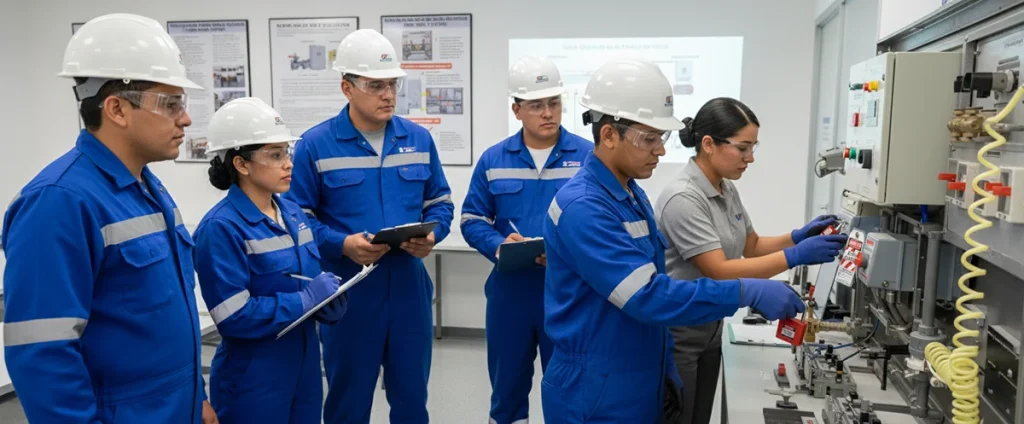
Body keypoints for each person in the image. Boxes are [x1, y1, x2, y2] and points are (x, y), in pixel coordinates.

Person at [541, 59, 807, 423]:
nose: (661, 150)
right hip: (596, 388)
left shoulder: (630, 195)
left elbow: (655, 280)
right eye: (649, 139)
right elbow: (646, 295)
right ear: (608, 136)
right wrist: (746, 291)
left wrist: (665, 362)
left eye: (661, 138)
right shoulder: (584, 207)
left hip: (635, 372)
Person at [1, 13, 217, 423]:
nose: (185, 119)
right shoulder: (58, 202)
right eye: (171, 104)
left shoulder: (147, 188)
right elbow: (43, 353)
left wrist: (196, 398)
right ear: (117, 108)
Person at [285, 28, 454, 424]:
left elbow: (441, 202)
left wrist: (433, 235)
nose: (388, 95)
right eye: (376, 85)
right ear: (347, 87)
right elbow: (297, 217)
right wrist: (342, 244)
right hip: (349, 293)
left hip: (409, 289)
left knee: (412, 400)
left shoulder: (418, 139)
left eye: (392, 84)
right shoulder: (315, 144)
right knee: (348, 402)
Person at [654, 97, 847, 424]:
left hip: (712, 327)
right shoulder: (683, 197)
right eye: (743, 148)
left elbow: (752, 245)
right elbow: (718, 270)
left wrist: (797, 236)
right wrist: (794, 256)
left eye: (753, 147)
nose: (750, 158)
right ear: (708, 144)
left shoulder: (725, 188)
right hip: (681, 333)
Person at [193, 97, 349, 423]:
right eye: (275, 155)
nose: (289, 163)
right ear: (241, 164)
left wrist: (327, 303)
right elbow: (233, 316)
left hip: (305, 364)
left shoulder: (292, 213)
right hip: (254, 374)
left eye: (287, 153)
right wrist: (305, 300)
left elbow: (310, 277)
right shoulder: (221, 227)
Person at [461, 56, 592, 424]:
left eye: (554, 102)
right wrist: (499, 245)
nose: (548, 112)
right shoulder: (493, 159)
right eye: (536, 105)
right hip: (511, 292)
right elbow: (472, 219)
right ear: (517, 109)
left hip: (570, 293)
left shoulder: (588, 157)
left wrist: (572, 250)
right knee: (507, 392)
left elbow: (605, 220)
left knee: (567, 390)